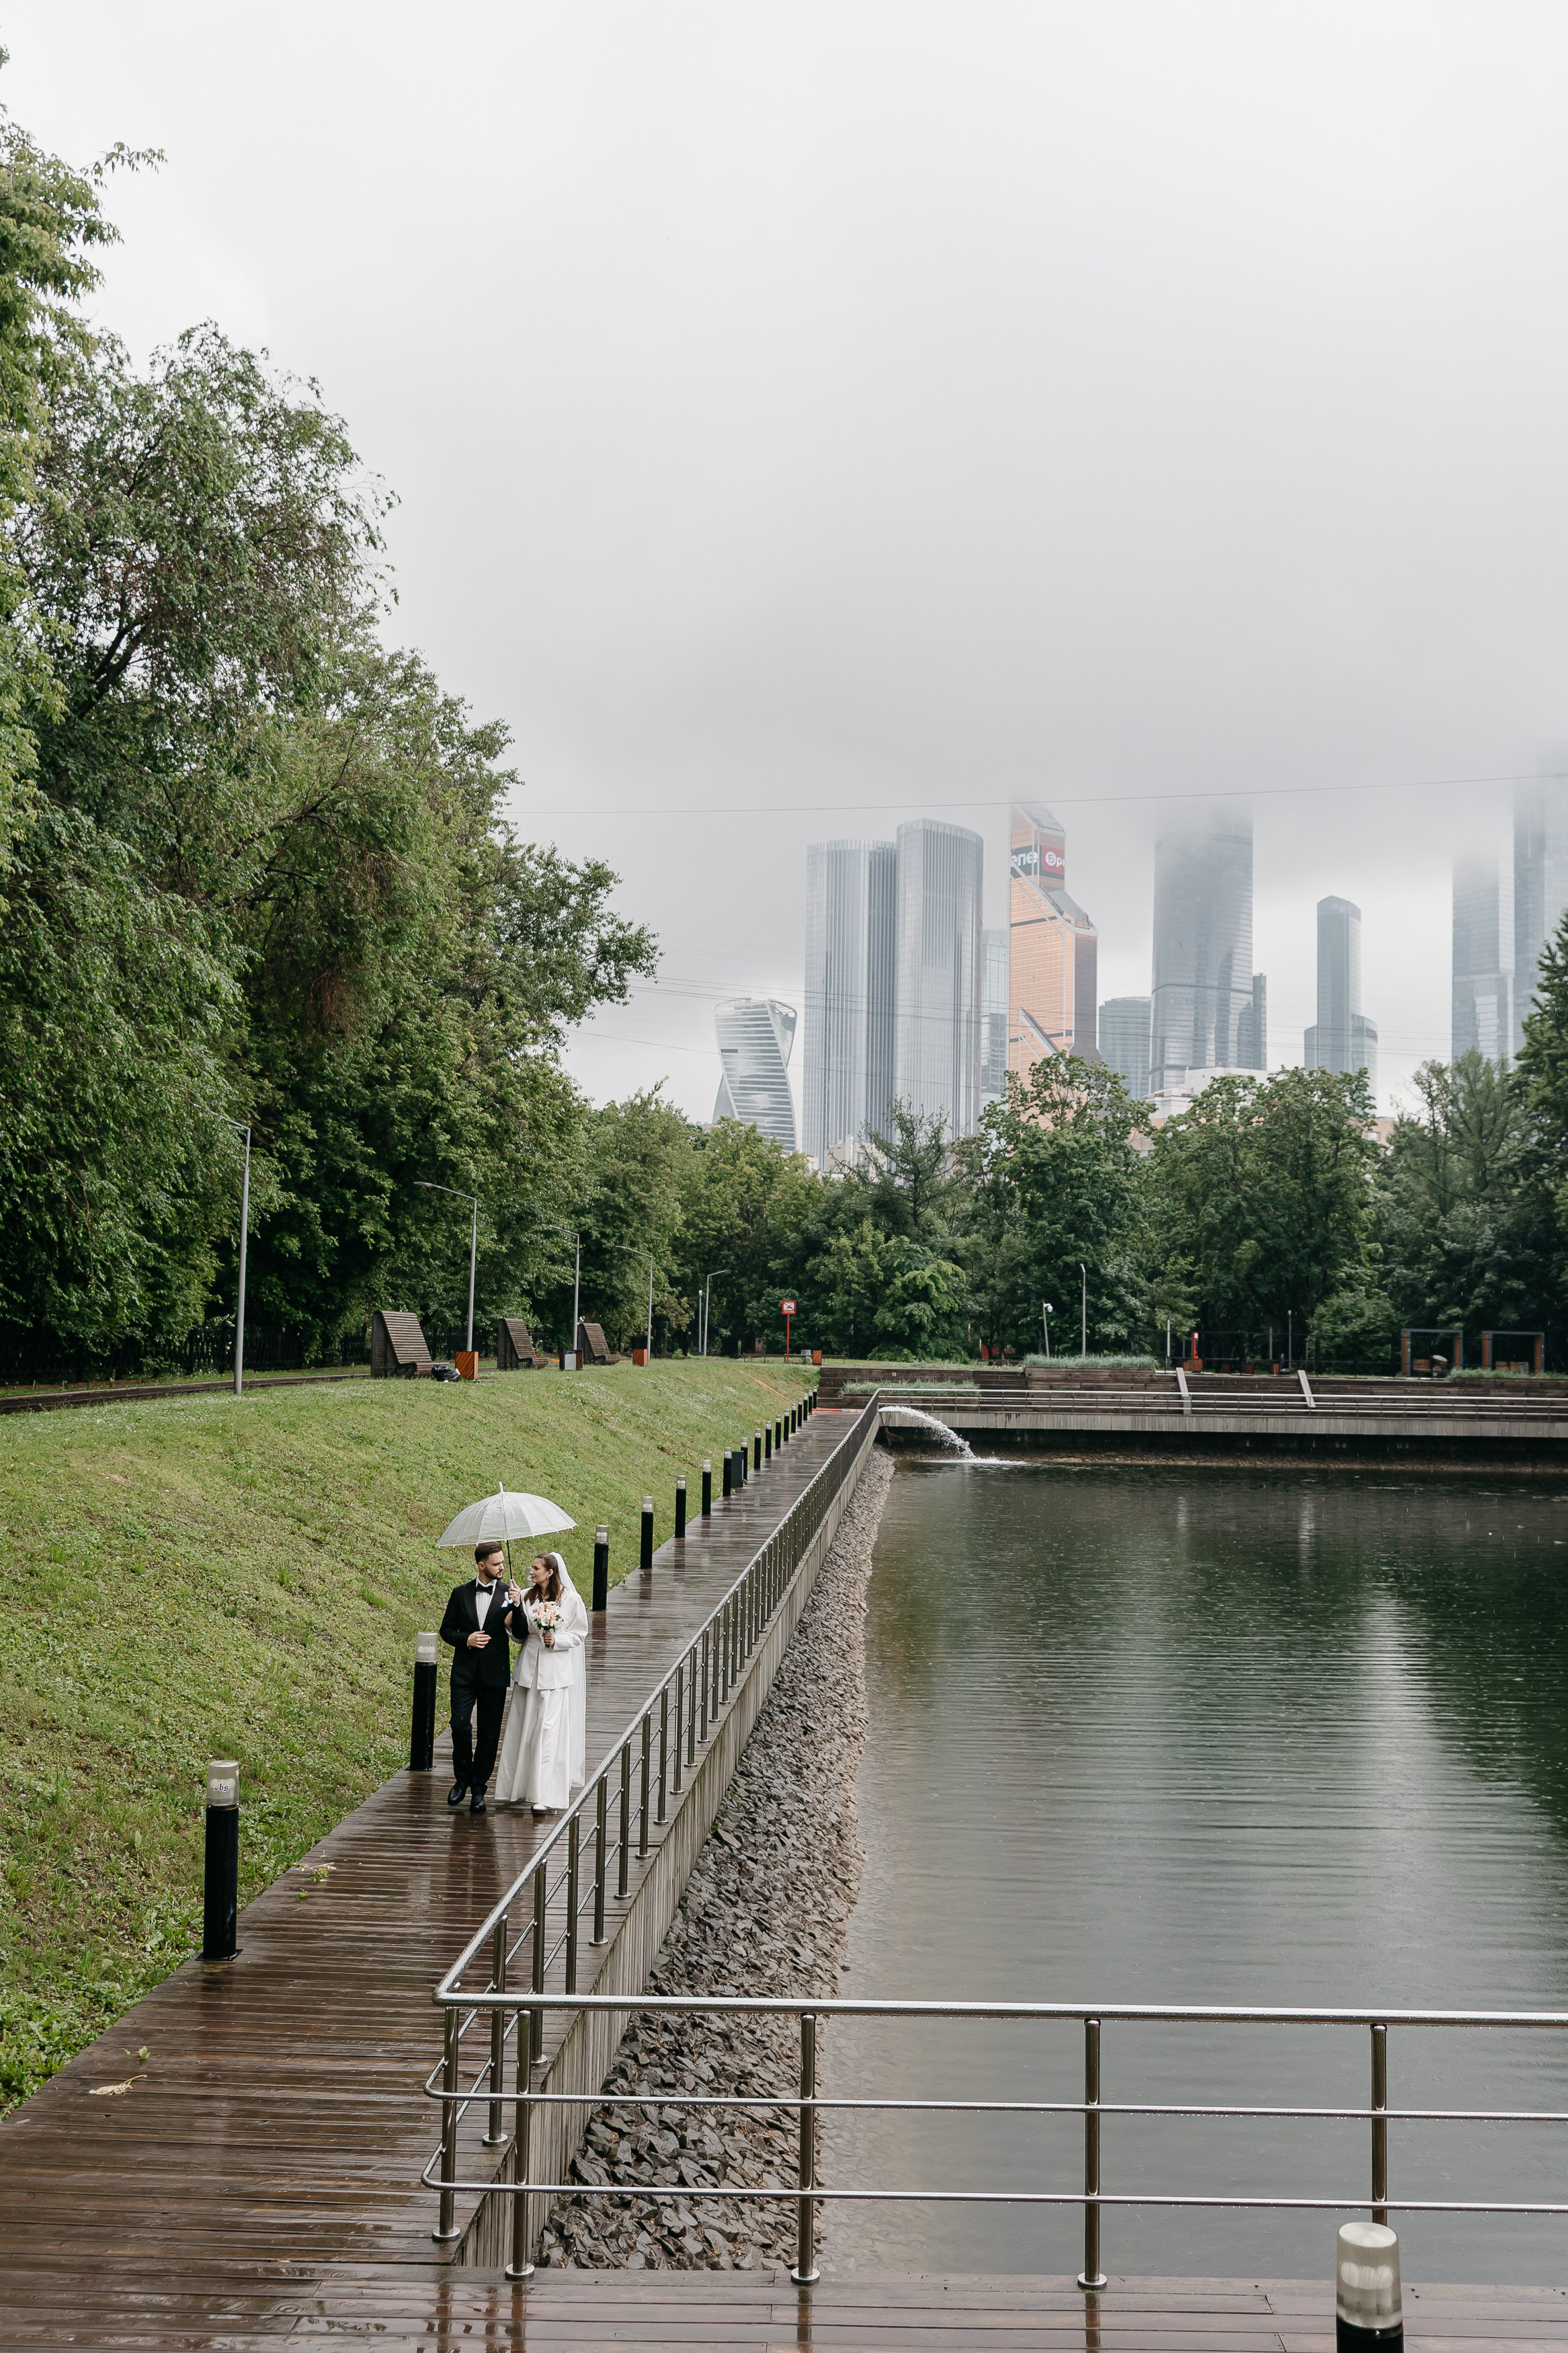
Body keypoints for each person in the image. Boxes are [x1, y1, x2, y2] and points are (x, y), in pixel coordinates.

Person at [493, 1550, 587, 1816]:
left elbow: (580, 1633)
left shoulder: (571, 1600)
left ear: (550, 1572)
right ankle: (518, 1788)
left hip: (555, 1674)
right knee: (523, 1729)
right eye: (531, 1568)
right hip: (529, 1671)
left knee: (548, 1732)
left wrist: (557, 1640)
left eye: (536, 1568)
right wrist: (513, 1612)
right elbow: (519, 1635)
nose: (531, 1572)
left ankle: (544, 1794)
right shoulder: (525, 1596)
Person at [438, 1541, 526, 1814]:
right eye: (496, 1564)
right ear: (481, 1565)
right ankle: (462, 1778)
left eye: (502, 1563)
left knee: (489, 1734)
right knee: (460, 1725)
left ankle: (478, 1789)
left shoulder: (509, 1594)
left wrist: (518, 1605)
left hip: (494, 1675)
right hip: (464, 1674)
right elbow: (446, 1631)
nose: (501, 1567)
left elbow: (520, 1633)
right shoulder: (460, 1593)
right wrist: (467, 1639)